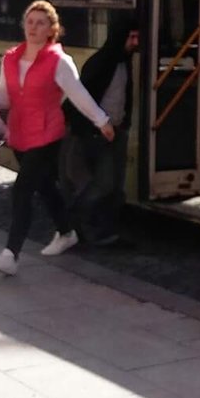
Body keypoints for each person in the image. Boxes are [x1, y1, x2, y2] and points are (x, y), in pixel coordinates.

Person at [0, 0, 115, 275]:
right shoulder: (11, 57)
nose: (33, 27)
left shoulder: (59, 61)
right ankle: (66, 232)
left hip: (48, 133)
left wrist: (102, 120)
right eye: (29, 21)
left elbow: (78, 94)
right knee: (45, 185)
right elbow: (3, 96)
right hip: (20, 133)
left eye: (40, 23)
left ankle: (10, 254)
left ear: (51, 29)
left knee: (23, 189)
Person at [60, 17, 139, 246]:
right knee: (103, 183)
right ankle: (70, 217)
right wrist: (94, 128)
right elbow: (81, 100)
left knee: (115, 187)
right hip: (94, 133)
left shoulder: (125, 62)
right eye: (131, 37)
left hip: (116, 131)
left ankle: (105, 232)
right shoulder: (102, 62)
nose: (135, 43)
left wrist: (123, 125)